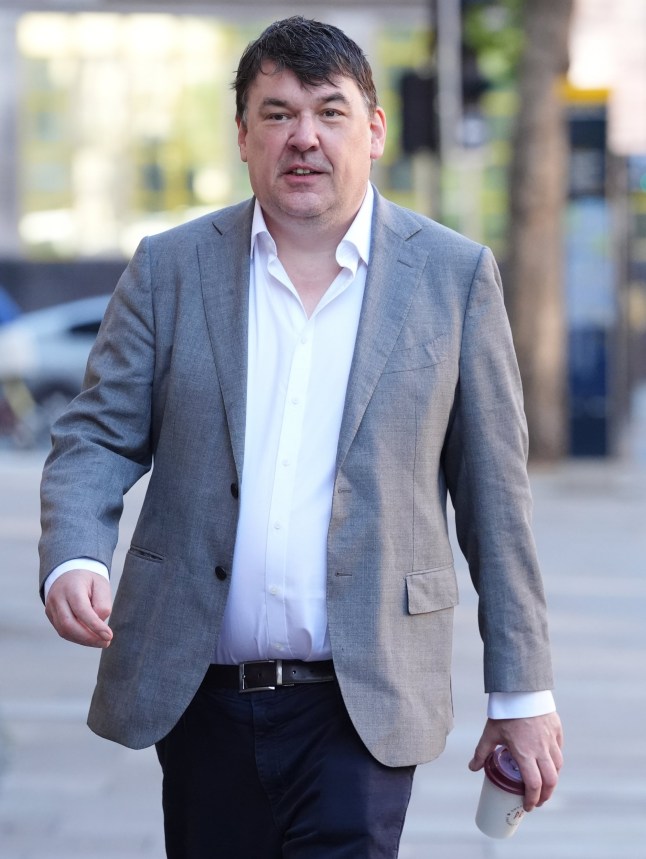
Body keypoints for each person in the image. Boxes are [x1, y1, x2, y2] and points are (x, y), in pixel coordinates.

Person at [40, 16, 563, 859]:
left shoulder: (454, 276)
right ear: (242, 135)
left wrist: (523, 691)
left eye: (330, 111)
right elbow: (96, 435)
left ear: (375, 129)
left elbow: (497, 502)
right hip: (201, 698)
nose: (304, 137)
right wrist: (74, 555)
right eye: (278, 114)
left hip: (363, 703)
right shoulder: (170, 269)